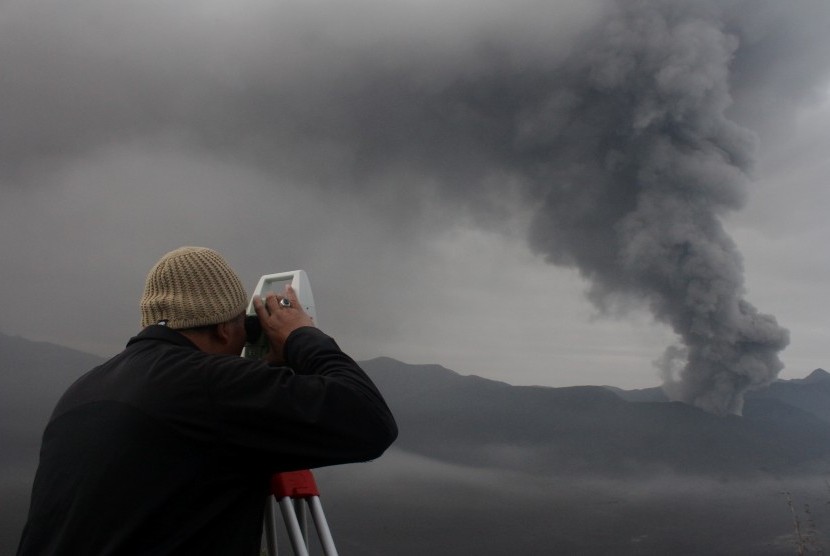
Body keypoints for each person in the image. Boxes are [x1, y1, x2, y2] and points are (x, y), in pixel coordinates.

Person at [17, 246, 398, 555]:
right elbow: (370, 421)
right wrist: (301, 335)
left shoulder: (83, 389)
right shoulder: (209, 387)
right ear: (222, 327)